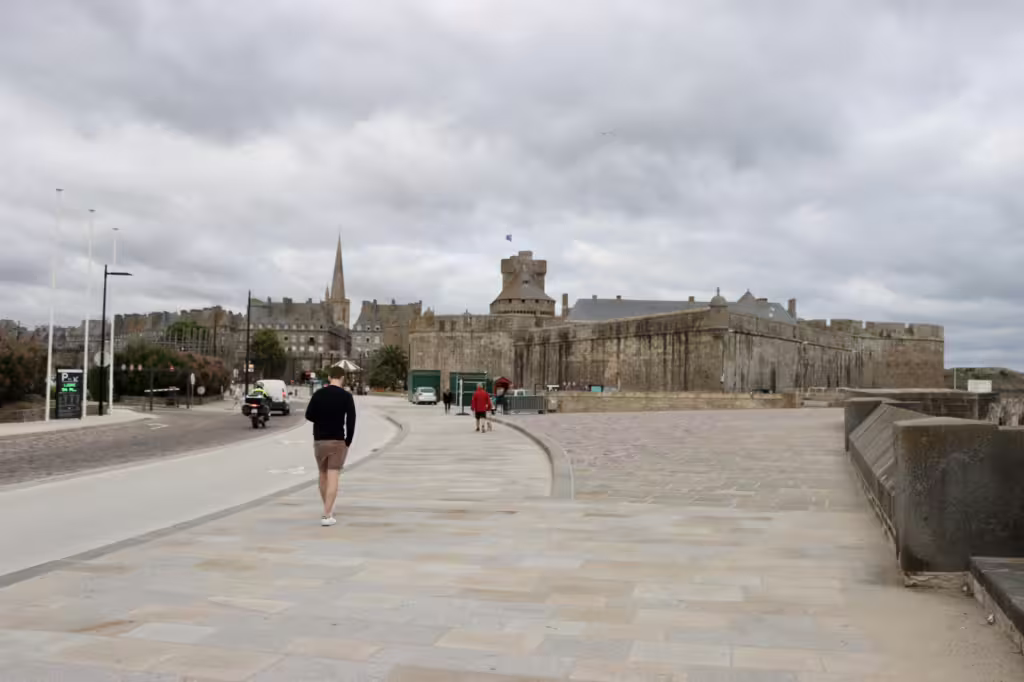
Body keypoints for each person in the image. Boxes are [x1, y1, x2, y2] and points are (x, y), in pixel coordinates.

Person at [304, 366, 357, 526]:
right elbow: (351, 421)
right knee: (333, 476)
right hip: (337, 440)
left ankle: (328, 507)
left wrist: (322, 420)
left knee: (322, 474)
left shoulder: (318, 394)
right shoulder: (346, 396)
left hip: (319, 440)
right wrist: (348, 441)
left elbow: (308, 415)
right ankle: (327, 515)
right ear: (342, 378)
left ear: (329, 377)